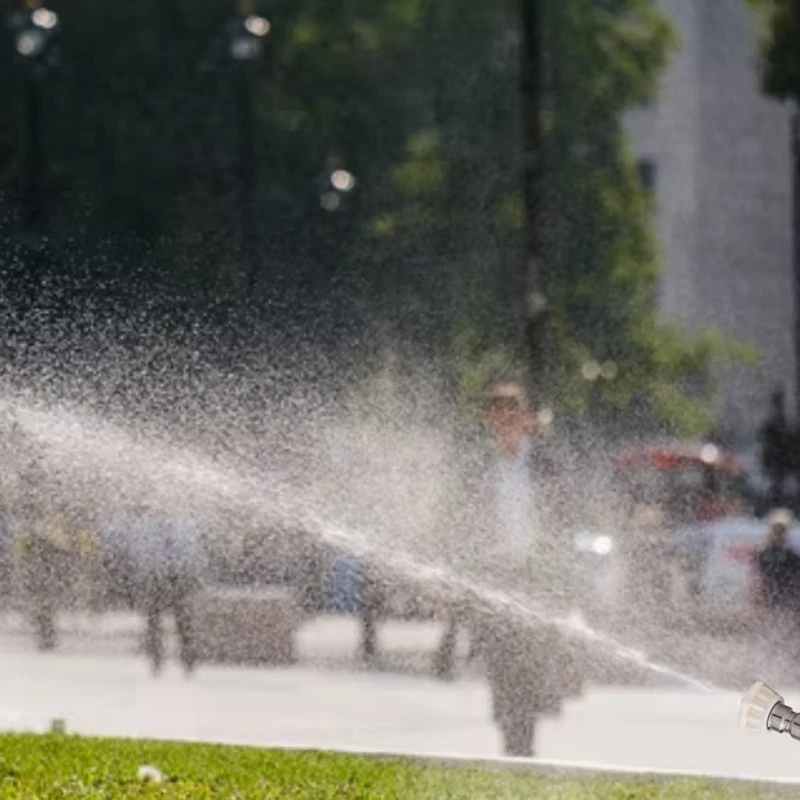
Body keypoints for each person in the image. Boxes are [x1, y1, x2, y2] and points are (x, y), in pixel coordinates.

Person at [454, 379, 583, 757]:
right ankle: (513, 744)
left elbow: (564, 521)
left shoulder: (546, 465)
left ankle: (522, 749)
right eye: (499, 416)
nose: (507, 423)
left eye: (514, 415)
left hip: (537, 581)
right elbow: (459, 526)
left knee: (531, 666)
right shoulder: (477, 469)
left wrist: (565, 582)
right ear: (489, 421)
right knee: (500, 667)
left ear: (526, 420)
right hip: (495, 582)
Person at [127, 501, 207, 676]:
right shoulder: (184, 524)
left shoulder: (148, 526)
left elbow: (141, 553)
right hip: (176, 578)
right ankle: (184, 658)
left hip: (159, 577)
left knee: (159, 620)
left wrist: (145, 571)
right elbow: (193, 554)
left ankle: (161, 658)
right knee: (180, 620)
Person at [754, 509, 800, 643]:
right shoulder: (763, 553)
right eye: (776, 529)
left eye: (782, 529)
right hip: (768, 597)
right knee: (769, 632)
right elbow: (757, 577)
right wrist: (755, 599)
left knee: (787, 632)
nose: (779, 532)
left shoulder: (792, 555)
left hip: (789, 598)